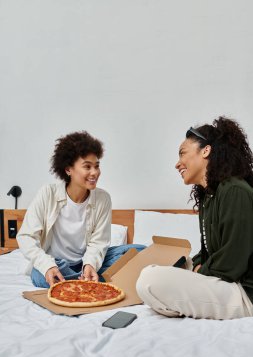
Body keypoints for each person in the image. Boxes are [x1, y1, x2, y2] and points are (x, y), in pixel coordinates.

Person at [136, 116, 253, 319]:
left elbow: (232, 263)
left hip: (243, 292)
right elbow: (209, 253)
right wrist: (191, 266)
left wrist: (198, 272)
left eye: (182, 153)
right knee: (168, 266)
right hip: (224, 281)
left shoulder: (234, 190)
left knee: (150, 279)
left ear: (206, 150)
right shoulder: (209, 196)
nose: (177, 164)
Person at [17, 131, 145, 288]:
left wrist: (90, 265)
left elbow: (99, 243)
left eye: (97, 166)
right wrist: (47, 266)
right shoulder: (47, 193)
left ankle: (82, 278)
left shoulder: (103, 199)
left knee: (138, 251)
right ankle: (90, 280)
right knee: (39, 275)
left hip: (86, 262)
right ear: (68, 169)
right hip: (56, 263)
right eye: (87, 167)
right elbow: (25, 237)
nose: (95, 172)